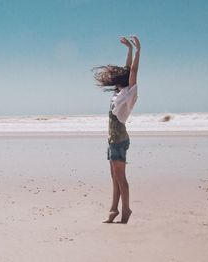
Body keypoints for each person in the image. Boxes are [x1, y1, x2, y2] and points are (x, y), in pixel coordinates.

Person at [93, 35, 141, 224]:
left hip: (119, 139)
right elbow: (128, 69)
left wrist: (138, 51)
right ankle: (113, 210)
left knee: (120, 177)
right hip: (114, 138)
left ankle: (126, 209)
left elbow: (133, 71)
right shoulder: (119, 92)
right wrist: (128, 51)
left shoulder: (129, 93)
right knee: (114, 176)